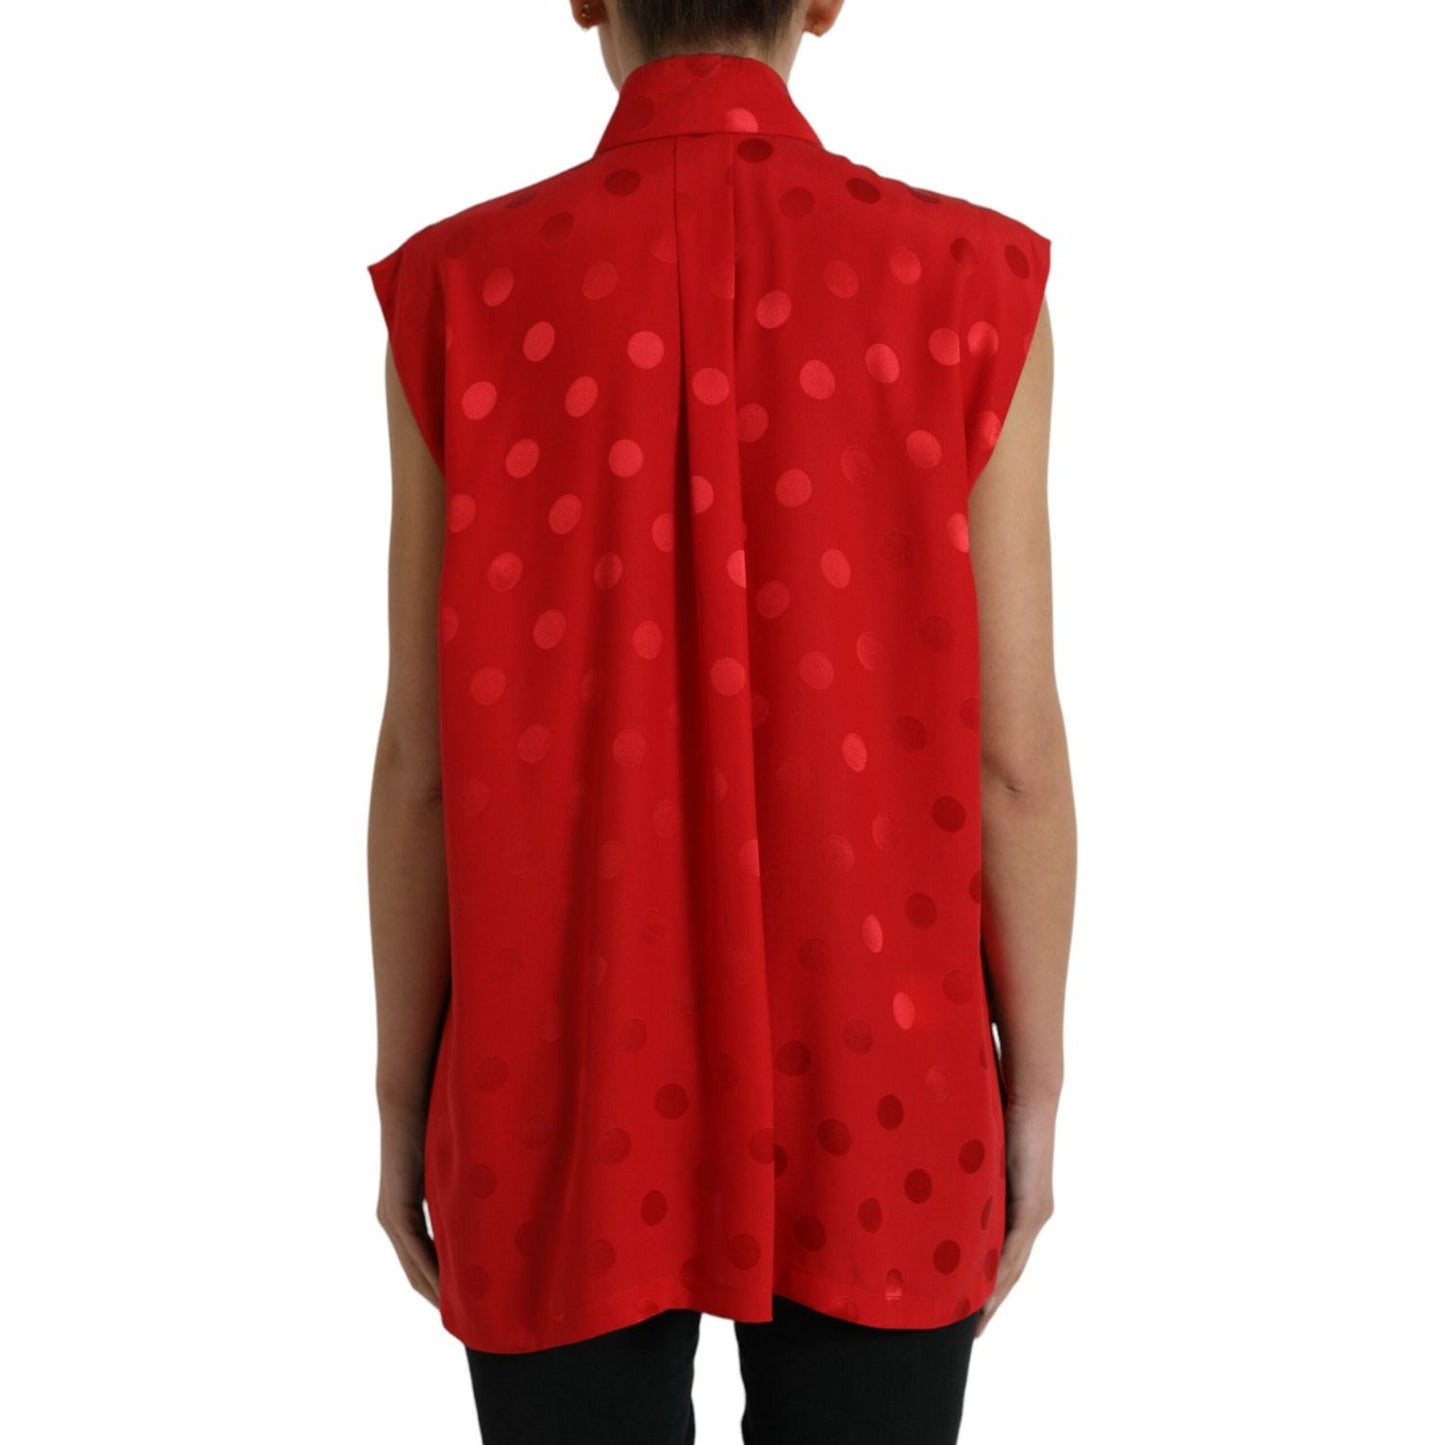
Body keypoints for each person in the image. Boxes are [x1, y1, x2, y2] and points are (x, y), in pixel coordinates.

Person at [365, 1, 1076, 1440]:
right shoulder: (967, 280)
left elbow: (424, 770)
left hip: (554, 1076)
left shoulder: (463, 289)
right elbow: (1011, 764)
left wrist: (397, 1099)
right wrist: (1035, 1087)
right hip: (885, 1071)